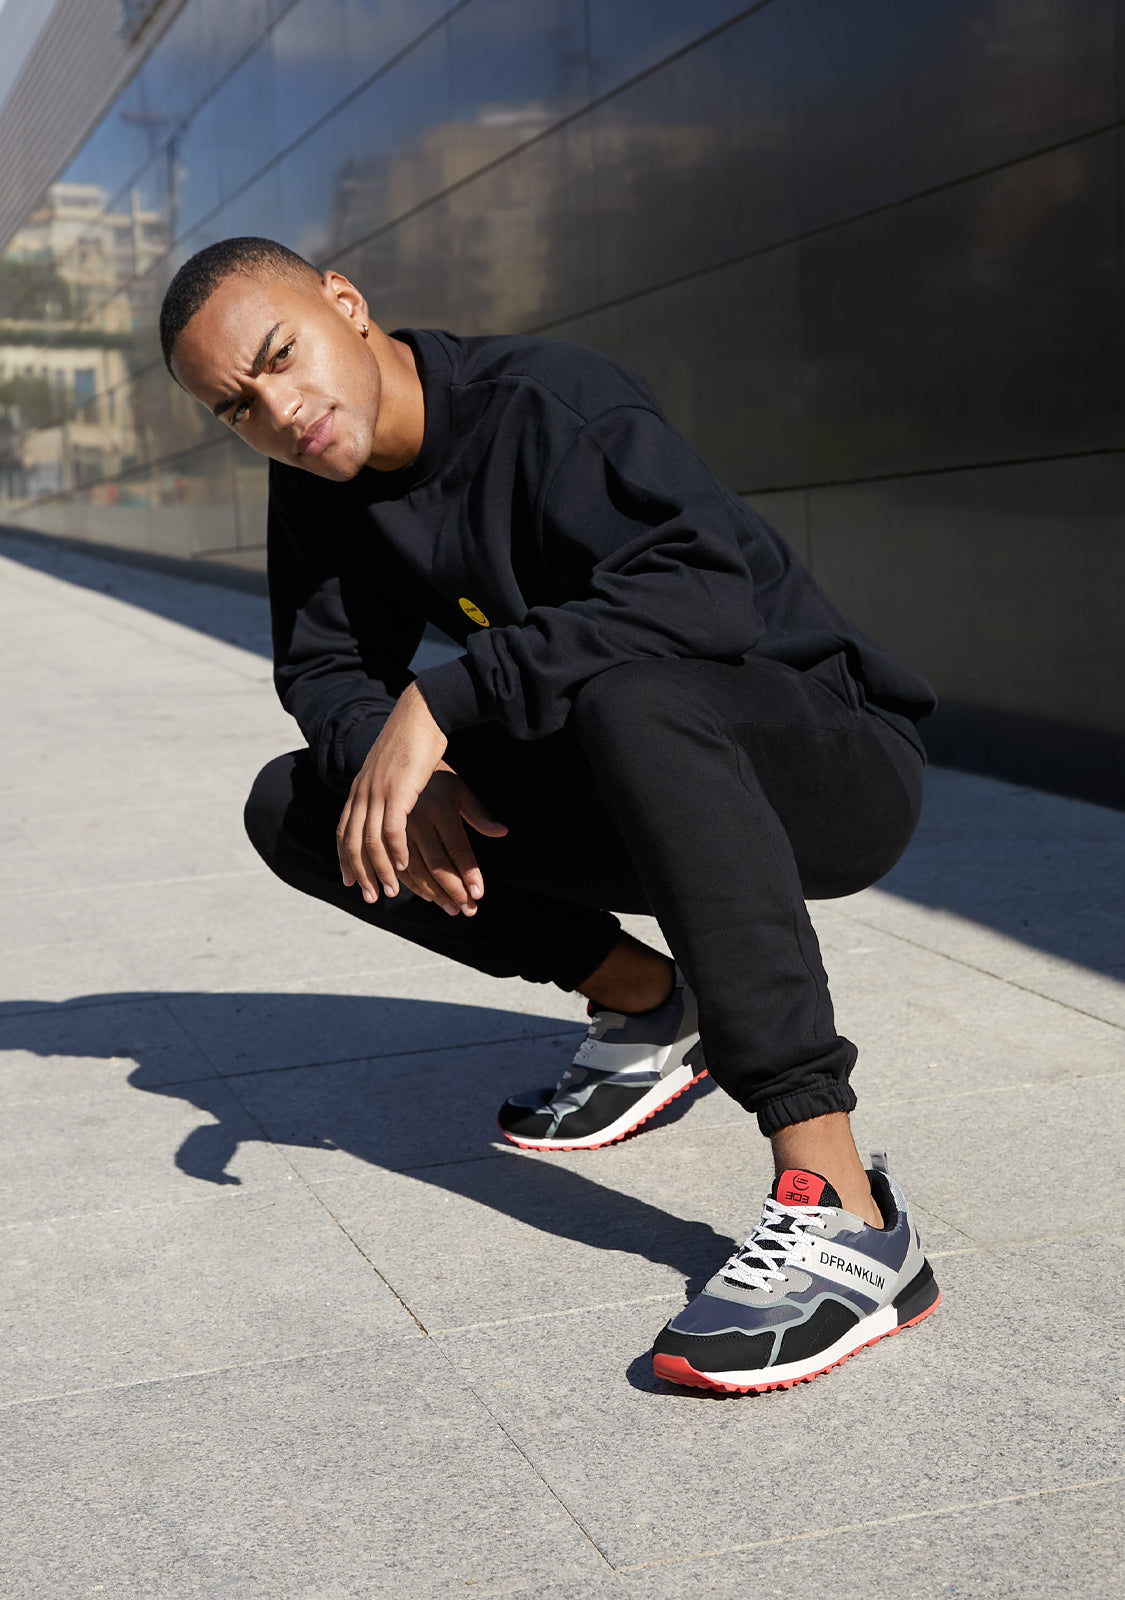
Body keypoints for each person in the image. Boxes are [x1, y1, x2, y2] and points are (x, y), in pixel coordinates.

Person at [161, 236, 941, 1394]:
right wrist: (401, 763)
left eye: (280, 357)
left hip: (826, 761)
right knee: (305, 806)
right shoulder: (319, 479)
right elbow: (324, 670)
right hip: (633, 770)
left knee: (633, 696)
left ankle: (848, 1212)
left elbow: (702, 589)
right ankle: (646, 1000)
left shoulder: (546, 401)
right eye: (238, 407)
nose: (280, 412)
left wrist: (445, 697)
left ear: (345, 301)